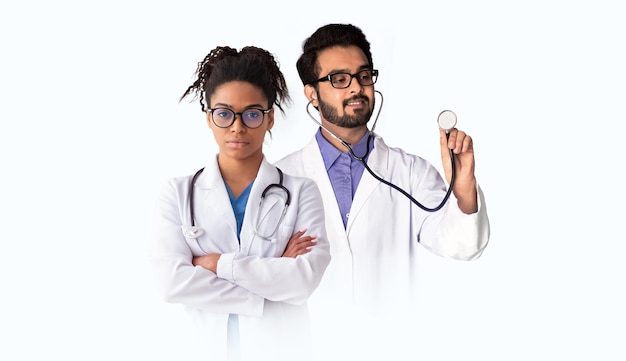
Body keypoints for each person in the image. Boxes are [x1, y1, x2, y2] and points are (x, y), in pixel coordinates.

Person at [274, 23, 491, 359]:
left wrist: (462, 185)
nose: (356, 88)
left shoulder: (410, 172)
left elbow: (463, 246)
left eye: (364, 76)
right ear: (311, 94)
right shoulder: (279, 180)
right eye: (339, 79)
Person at [149, 45, 331, 361]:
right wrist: (268, 292)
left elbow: (303, 282)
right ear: (208, 117)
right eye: (224, 113)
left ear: (270, 118)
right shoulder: (177, 194)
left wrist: (216, 263)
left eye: (251, 113)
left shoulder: (302, 192)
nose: (237, 127)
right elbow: (171, 283)